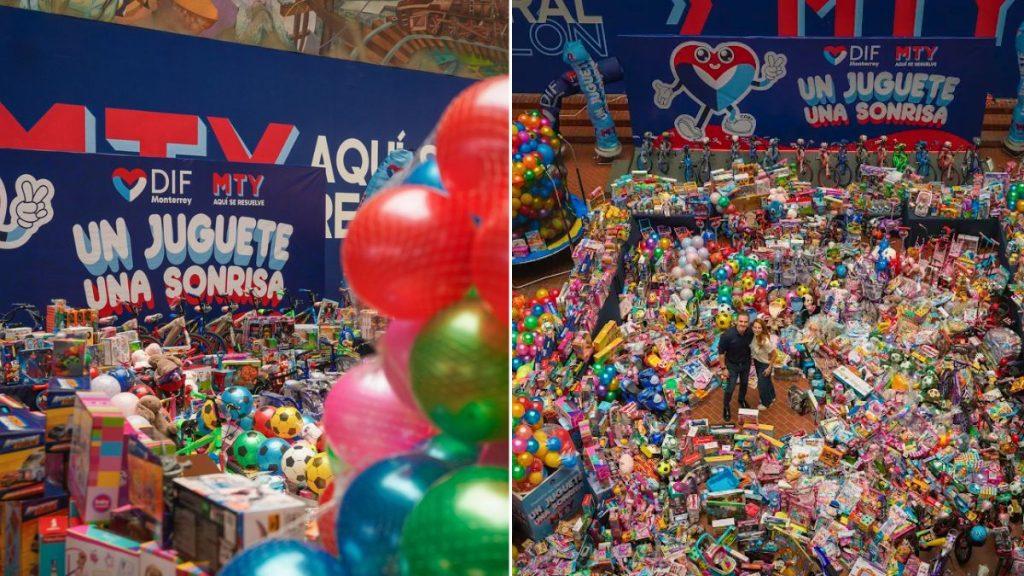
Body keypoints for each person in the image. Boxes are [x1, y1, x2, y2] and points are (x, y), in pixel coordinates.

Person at [717, 311, 754, 421]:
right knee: (730, 387)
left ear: (748, 323)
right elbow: (721, 353)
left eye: (745, 322)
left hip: (745, 364)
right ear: (736, 321)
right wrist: (723, 368)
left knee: (744, 384)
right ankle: (726, 406)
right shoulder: (727, 335)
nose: (743, 324)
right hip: (732, 365)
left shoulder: (750, 332)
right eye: (741, 321)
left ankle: (741, 399)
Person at [751, 317, 778, 409]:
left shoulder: (765, 341)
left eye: (759, 327)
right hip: (757, 362)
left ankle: (766, 403)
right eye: (755, 327)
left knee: (761, 384)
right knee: (767, 381)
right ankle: (772, 396)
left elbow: (774, 354)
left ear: (762, 329)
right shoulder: (753, 336)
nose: (756, 329)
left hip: (765, 364)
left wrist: (769, 367)